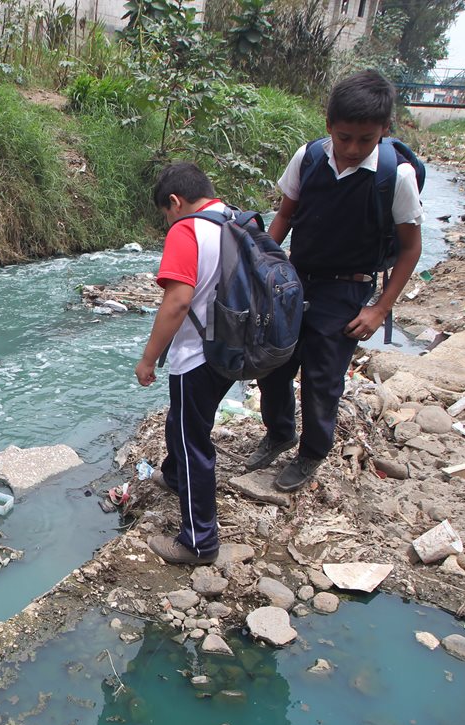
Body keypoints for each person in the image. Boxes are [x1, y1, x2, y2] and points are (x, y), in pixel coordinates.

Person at [246, 69, 422, 492]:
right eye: (344, 137)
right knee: (273, 364)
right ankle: (280, 432)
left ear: (384, 129)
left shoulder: (395, 177)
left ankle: (312, 452)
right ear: (329, 126)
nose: (353, 148)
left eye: (365, 140)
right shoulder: (308, 158)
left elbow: (411, 248)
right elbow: (285, 216)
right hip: (293, 281)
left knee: (323, 379)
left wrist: (379, 308)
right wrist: (259, 269)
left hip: (348, 288)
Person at [134, 162, 236, 565]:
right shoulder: (234, 219)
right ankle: (174, 477)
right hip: (234, 349)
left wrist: (148, 360)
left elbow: (176, 302)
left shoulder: (187, 229)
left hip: (197, 355)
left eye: (165, 214)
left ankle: (198, 543)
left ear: (174, 202)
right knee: (183, 421)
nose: (167, 222)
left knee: (193, 441)